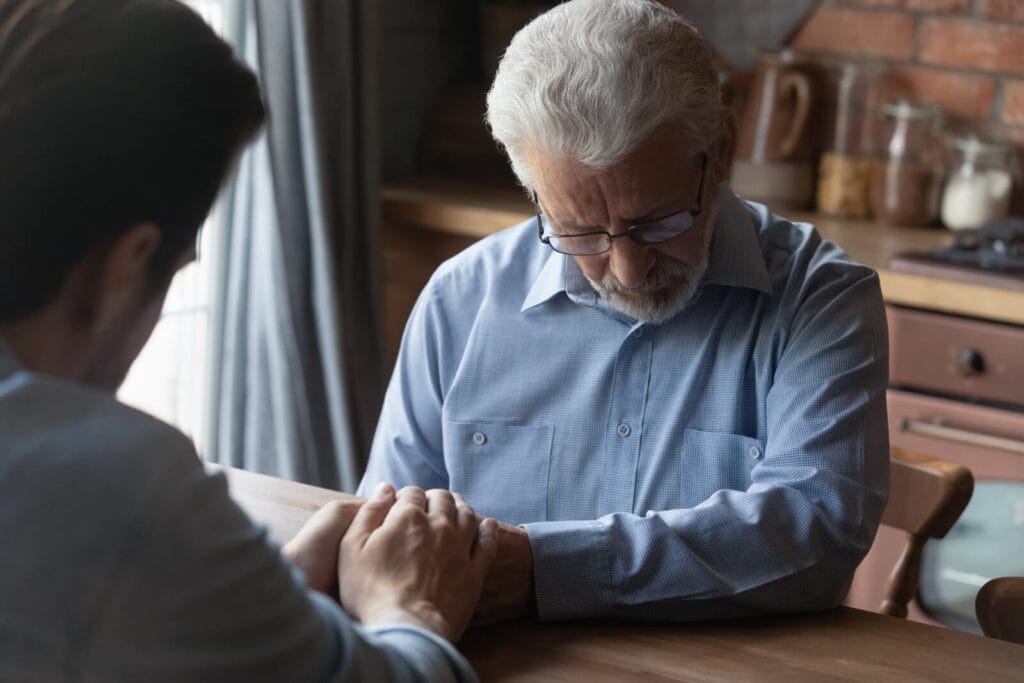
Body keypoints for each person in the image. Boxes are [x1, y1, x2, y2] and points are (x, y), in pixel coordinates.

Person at [0, 1, 495, 681]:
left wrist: (261, 588)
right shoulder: (117, 482)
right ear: (128, 260)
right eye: (175, 268)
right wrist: (410, 608)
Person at [360, 0, 889, 624]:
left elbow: (816, 531)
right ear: (534, 192)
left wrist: (544, 569)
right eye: (579, 232)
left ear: (719, 149)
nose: (629, 271)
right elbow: (392, 543)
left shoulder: (821, 299)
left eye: (658, 221)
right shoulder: (460, 301)